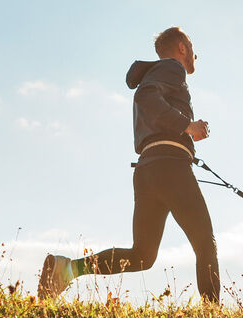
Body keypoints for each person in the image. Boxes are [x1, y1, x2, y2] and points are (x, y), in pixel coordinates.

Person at [38, 27, 220, 303]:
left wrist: (186, 132)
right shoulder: (172, 68)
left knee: (143, 255)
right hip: (170, 167)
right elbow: (146, 97)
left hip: (148, 169)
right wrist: (187, 126)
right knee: (205, 243)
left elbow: (149, 100)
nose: (196, 54)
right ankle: (212, 317)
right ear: (182, 47)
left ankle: (67, 268)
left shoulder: (158, 73)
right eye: (192, 47)